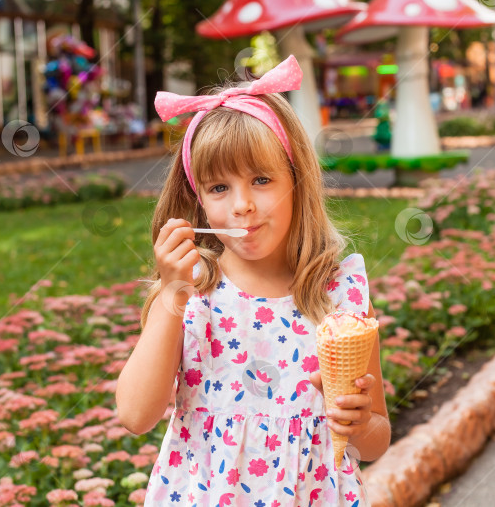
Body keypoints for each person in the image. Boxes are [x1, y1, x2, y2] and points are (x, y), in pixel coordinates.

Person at [115, 55, 390, 506]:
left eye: (261, 180)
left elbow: (375, 439)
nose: (241, 205)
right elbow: (135, 413)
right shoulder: (194, 289)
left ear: (297, 181)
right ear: (197, 199)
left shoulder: (340, 292)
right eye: (219, 188)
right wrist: (171, 293)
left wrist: (359, 426)